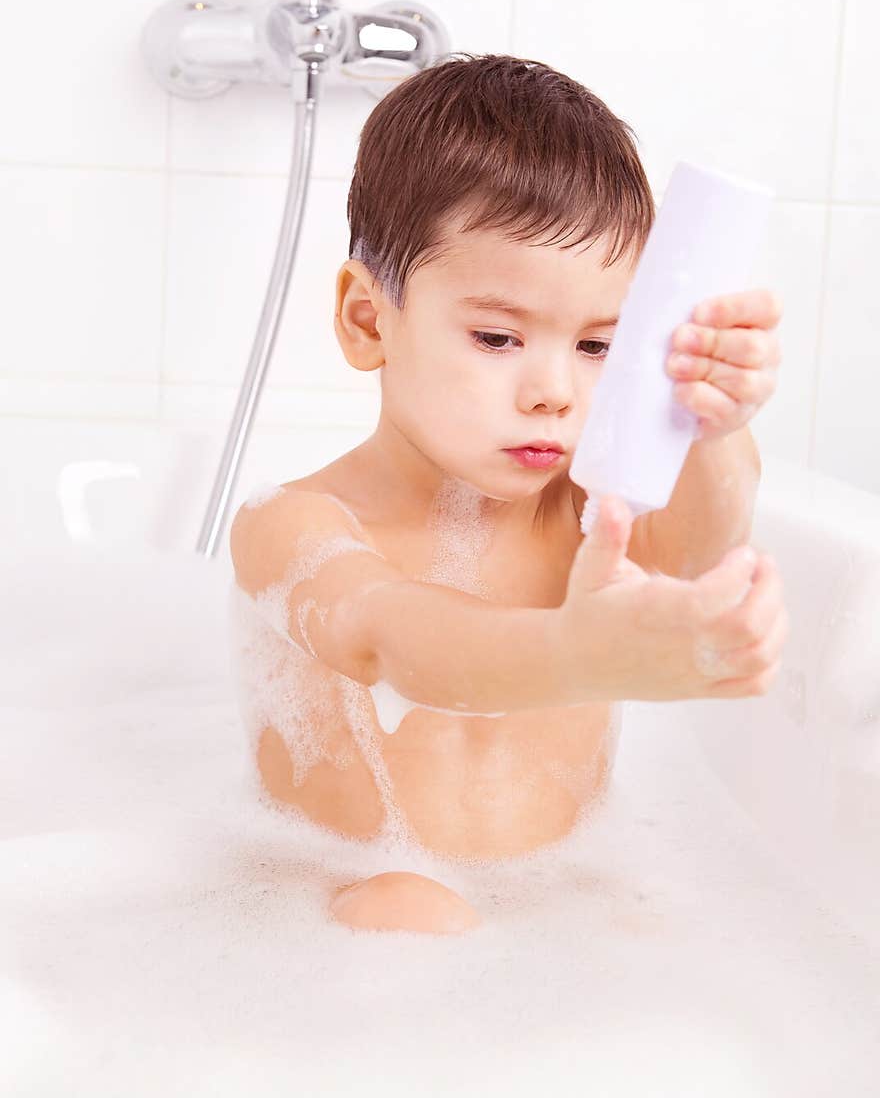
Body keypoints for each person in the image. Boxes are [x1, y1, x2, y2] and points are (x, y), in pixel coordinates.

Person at [229, 54, 787, 935]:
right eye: (497, 337)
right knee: (400, 906)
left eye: (598, 345)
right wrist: (579, 654)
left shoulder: (585, 512)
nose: (553, 391)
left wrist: (714, 422)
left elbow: (698, 558)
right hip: (335, 899)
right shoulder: (295, 526)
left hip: (557, 902)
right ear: (368, 320)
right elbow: (389, 640)